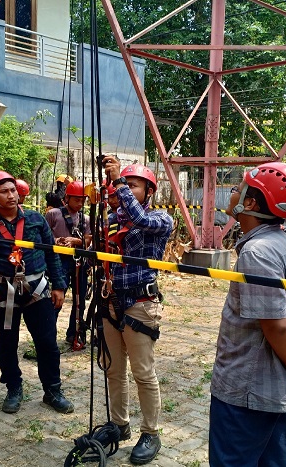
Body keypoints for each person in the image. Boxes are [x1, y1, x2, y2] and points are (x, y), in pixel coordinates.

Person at [209, 162, 286, 467]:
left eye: (238, 188)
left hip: (244, 393)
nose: (233, 192)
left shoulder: (257, 252)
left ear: (250, 203)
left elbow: (276, 326)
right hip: (271, 391)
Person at [0, 170, 74, 415]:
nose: (11, 195)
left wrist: (58, 286)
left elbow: (51, 253)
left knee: (47, 342)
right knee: (6, 343)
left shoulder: (37, 220)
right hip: (2, 293)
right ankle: (13, 388)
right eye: (3, 191)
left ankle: (52, 390)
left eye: (13, 190)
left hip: (37, 290)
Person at [100, 158, 173, 465]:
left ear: (149, 191)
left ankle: (151, 432)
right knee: (113, 370)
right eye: (124, 184)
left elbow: (140, 220)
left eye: (133, 185)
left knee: (143, 373)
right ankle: (119, 424)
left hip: (141, 305)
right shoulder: (114, 219)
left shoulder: (161, 219)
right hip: (111, 301)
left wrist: (118, 181)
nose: (126, 189)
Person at [45, 180, 91, 347]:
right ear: (67, 198)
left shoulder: (85, 219)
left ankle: (75, 334)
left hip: (79, 262)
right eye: (76, 200)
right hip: (59, 261)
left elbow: (87, 239)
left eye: (82, 200)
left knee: (80, 301)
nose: (80, 203)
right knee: (57, 298)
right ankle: (48, 336)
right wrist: (55, 240)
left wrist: (76, 241)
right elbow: (44, 234)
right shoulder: (54, 214)